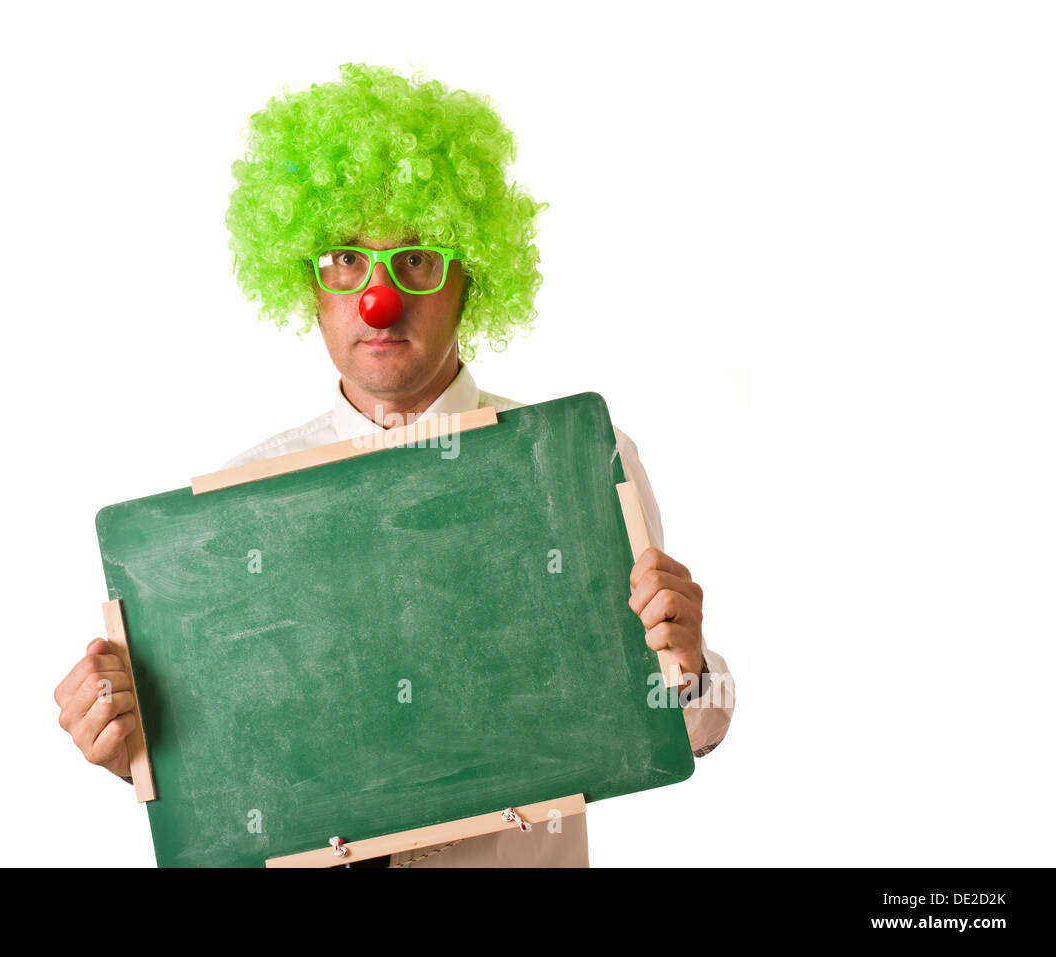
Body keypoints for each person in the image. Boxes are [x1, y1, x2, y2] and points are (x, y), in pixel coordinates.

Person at [54, 63, 735, 867]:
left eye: (416, 259)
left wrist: (689, 672)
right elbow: (223, 796)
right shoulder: (234, 515)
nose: (377, 297)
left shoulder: (583, 464)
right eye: (345, 258)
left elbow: (697, 720)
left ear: (472, 274)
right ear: (305, 279)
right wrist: (132, 745)